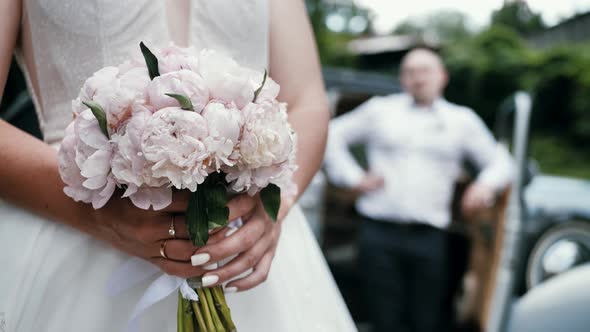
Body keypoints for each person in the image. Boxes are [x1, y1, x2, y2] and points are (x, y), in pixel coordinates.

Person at [0, 0, 356, 331]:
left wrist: (276, 205)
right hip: (74, 240)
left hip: (249, 246)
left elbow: (307, 100)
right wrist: (94, 215)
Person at [324, 48, 513, 332]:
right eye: (410, 72)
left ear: (443, 76)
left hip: (430, 238)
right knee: (383, 318)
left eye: (425, 70)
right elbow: (330, 135)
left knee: (427, 319)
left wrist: (484, 184)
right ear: (402, 79)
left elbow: (501, 162)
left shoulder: (462, 121)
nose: (418, 78)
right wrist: (354, 177)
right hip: (378, 233)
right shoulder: (379, 110)